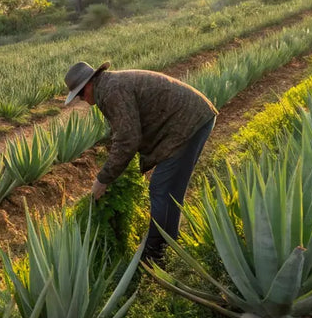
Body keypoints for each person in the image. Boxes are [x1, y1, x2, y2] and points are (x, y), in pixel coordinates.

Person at [63, 61, 217, 263]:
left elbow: (128, 138)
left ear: (89, 84)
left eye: (81, 94)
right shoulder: (107, 87)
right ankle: (167, 245)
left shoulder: (110, 92)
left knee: (161, 189)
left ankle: (155, 254)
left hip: (187, 124)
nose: (82, 100)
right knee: (168, 190)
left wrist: (103, 179)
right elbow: (122, 129)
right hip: (188, 120)